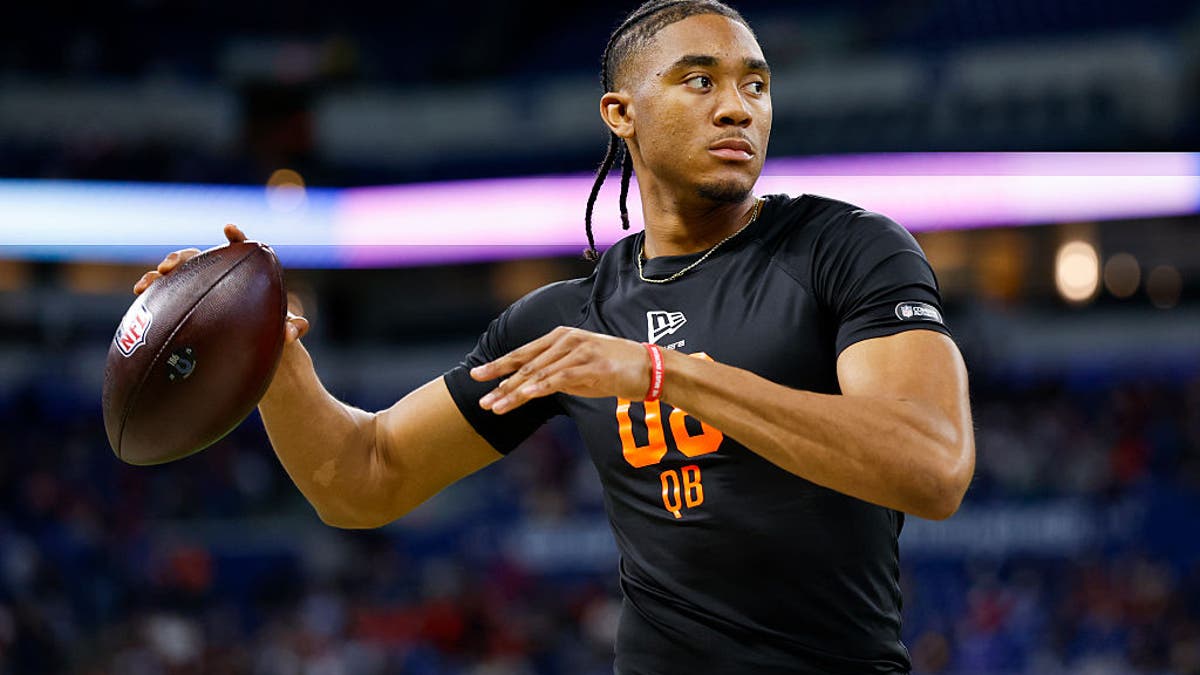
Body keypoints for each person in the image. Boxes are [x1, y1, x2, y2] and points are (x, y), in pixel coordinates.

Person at [134, 1, 975, 672]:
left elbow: (932, 465)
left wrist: (658, 372)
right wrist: (273, 358)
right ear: (621, 113)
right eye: (698, 79)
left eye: (755, 85)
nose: (736, 107)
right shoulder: (567, 319)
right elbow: (365, 477)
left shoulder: (847, 247)